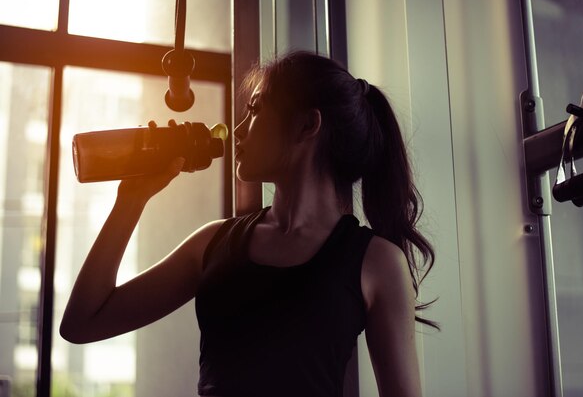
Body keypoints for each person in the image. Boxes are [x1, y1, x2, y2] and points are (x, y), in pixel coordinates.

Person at [60, 51, 437, 397]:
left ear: (307, 125)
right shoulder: (214, 243)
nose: (238, 129)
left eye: (254, 109)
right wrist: (131, 200)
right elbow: (82, 324)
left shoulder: (376, 263)